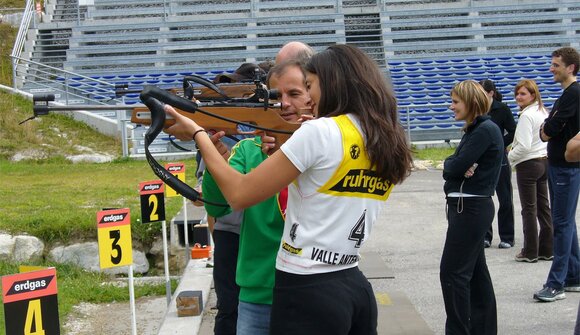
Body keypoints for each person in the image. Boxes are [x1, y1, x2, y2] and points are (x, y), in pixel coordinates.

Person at [165, 44, 413, 335]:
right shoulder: (377, 137)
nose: (306, 101)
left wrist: (198, 134)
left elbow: (239, 194)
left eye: (308, 87)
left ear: (331, 83)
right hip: (351, 281)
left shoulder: (319, 132)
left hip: (306, 289)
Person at [202, 60, 313, 335]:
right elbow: (218, 205)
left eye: (294, 94)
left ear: (312, 98)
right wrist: (214, 158)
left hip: (309, 287)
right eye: (274, 96)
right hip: (256, 293)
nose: (283, 103)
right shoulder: (246, 150)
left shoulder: (324, 146)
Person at [440, 80, 503, 335]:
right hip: (470, 207)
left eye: (456, 102)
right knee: (476, 276)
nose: (451, 106)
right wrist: (454, 166)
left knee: (452, 274)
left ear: (470, 102)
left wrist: (454, 166)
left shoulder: (484, 130)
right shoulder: (476, 129)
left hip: (471, 208)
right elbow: (454, 166)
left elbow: (453, 167)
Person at [534, 46, 580, 302]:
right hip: (562, 166)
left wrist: (547, 128)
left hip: (565, 167)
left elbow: (548, 130)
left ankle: (556, 283)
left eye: (556, 65)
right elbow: (550, 127)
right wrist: (548, 127)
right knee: (566, 221)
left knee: (560, 225)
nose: (551, 69)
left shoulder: (573, 94)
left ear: (570, 67)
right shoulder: (568, 94)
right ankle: (574, 276)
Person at [508, 79, 553, 263]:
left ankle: (530, 251)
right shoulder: (542, 111)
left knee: (529, 209)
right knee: (543, 208)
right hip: (543, 161)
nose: (519, 97)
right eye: (517, 93)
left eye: (523, 94)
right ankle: (547, 249)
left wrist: (508, 158)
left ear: (533, 95)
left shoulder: (526, 115)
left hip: (528, 164)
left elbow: (524, 146)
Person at [479, 79, 516, 249]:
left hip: (500, 159)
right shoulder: (476, 109)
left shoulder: (502, 109)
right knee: (484, 198)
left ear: (491, 93)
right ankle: (486, 236)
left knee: (505, 198)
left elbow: (513, 131)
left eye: (482, 91)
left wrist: (500, 143)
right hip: (482, 159)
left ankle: (507, 236)